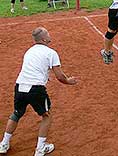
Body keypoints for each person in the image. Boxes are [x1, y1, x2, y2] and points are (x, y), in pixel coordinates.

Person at [0, 27, 77, 156]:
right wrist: (70, 81)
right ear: (43, 39)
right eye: (47, 33)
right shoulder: (51, 53)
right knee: (46, 116)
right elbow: (60, 76)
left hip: (20, 86)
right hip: (35, 89)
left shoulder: (29, 51)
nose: (49, 34)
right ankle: (41, 149)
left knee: (16, 113)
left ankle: (3, 144)